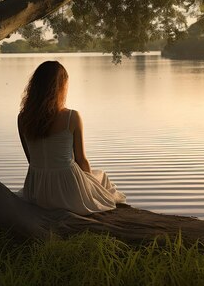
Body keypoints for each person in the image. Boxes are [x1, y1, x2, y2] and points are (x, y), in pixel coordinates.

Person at [17, 61, 126, 215]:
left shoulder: (22, 119)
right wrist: (89, 185)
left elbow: (31, 160)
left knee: (98, 178)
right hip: (70, 190)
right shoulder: (71, 117)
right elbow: (81, 160)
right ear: (61, 87)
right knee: (101, 177)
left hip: (37, 189)